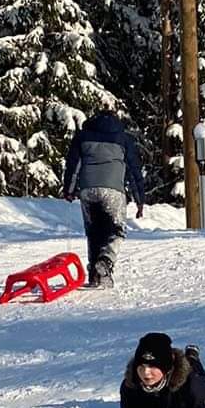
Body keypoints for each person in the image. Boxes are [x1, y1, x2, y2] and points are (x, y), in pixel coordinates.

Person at [63, 108, 145, 288]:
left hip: (87, 189)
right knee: (117, 230)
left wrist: (69, 189)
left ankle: (94, 275)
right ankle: (106, 261)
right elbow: (134, 171)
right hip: (113, 189)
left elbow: (73, 165)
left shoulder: (82, 136)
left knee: (94, 231)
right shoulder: (124, 138)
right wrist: (140, 200)